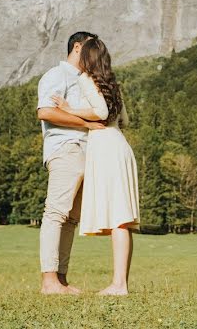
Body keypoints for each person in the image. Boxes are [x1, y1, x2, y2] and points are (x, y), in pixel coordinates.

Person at [51, 37, 140, 296]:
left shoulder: (86, 80)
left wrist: (71, 109)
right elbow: (123, 119)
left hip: (106, 148)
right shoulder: (113, 84)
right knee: (121, 219)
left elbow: (100, 112)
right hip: (119, 144)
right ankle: (120, 282)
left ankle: (119, 285)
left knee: (118, 219)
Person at [35, 31, 104, 295]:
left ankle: (61, 279)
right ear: (77, 47)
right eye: (91, 49)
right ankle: (49, 281)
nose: (94, 56)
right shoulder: (57, 75)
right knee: (55, 214)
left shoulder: (84, 81)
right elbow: (46, 112)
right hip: (66, 148)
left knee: (71, 219)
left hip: (85, 152)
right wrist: (86, 124)